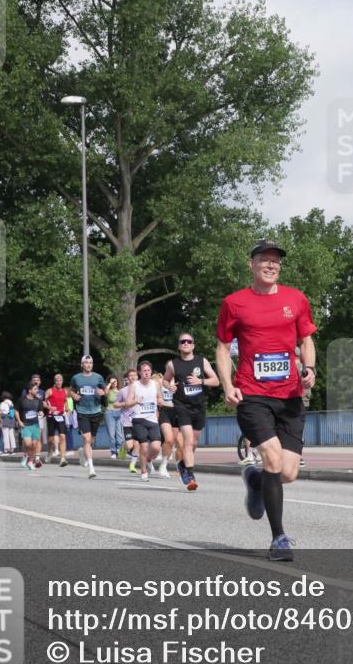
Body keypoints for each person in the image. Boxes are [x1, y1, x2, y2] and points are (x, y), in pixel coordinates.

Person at [215, 239, 317, 562]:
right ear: (252, 264)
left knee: (288, 473)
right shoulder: (234, 303)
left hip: (290, 397)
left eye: (276, 261)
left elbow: (306, 340)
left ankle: (255, 479)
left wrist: (310, 368)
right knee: (272, 458)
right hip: (252, 395)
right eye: (265, 260)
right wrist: (227, 385)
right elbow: (222, 348)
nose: (271, 265)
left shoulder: (296, 299)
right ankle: (279, 538)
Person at [165, 332, 219, 492]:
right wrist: (169, 386)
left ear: (193, 345)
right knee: (188, 441)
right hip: (182, 406)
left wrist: (200, 381)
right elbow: (165, 380)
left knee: (194, 442)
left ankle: (183, 464)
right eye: (183, 341)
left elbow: (216, 381)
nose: (186, 343)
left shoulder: (201, 361)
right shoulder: (173, 364)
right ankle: (190, 477)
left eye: (189, 341)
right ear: (179, 345)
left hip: (199, 406)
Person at [69, 355, 106, 480]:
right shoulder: (76, 378)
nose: (89, 365)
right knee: (86, 437)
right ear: (82, 364)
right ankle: (91, 468)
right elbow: (71, 390)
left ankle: (82, 453)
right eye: (86, 362)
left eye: (91, 362)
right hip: (82, 411)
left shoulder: (98, 377)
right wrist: (74, 395)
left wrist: (102, 392)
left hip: (95, 411)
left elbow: (105, 390)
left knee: (91, 441)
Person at [125, 360, 163, 482]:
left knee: (156, 447)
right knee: (144, 446)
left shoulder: (155, 384)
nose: (146, 372)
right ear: (140, 373)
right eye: (144, 370)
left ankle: (148, 459)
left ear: (151, 372)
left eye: (148, 370)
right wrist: (135, 401)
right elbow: (127, 403)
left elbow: (160, 397)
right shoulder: (134, 385)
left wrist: (160, 401)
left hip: (152, 419)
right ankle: (144, 471)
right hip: (138, 419)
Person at [113, 369, 140, 474]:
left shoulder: (141, 389)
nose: (133, 377)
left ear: (137, 376)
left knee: (137, 443)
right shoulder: (123, 391)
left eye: (135, 375)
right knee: (130, 445)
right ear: (128, 378)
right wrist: (124, 404)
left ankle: (132, 465)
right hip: (126, 421)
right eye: (131, 375)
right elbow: (115, 404)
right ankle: (124, 447)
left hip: (139, 420)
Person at [17, 382, 44, 470]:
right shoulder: (22, 399)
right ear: (30, 390)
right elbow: (16, 411)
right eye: (35, 389)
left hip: (35, 425)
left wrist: (41, 413)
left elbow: (41, 410)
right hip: (25, 425)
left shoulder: (38, 400)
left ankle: (30, 461)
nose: (37, 391)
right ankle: (26, 455)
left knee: (34, 445)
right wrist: (19, 421)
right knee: (28, 444)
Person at [44, 374, 70, 466]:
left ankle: (62, 458)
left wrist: (67, 409)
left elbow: (65, 402)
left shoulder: (65, 391)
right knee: (50, 439)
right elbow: (43, 403)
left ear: (62, 381)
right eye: (57, 381)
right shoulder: (50, 391)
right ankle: (49, 454)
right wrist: (49, 407)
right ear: (55, 381)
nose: (59, 382)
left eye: (60, 381)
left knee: (62, 436)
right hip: (51, 416)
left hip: (60, 416)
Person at [103, 376, 122, 459]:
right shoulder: (109, 391)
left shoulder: (120, 391)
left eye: (115, 381)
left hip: (119, 413)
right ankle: (113, 452)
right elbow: (105, 392)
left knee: (119, 435)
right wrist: (109, 383)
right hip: (110, 413)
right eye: (112, 382)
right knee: (111, 434)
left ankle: (119, 450)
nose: (114, 383)